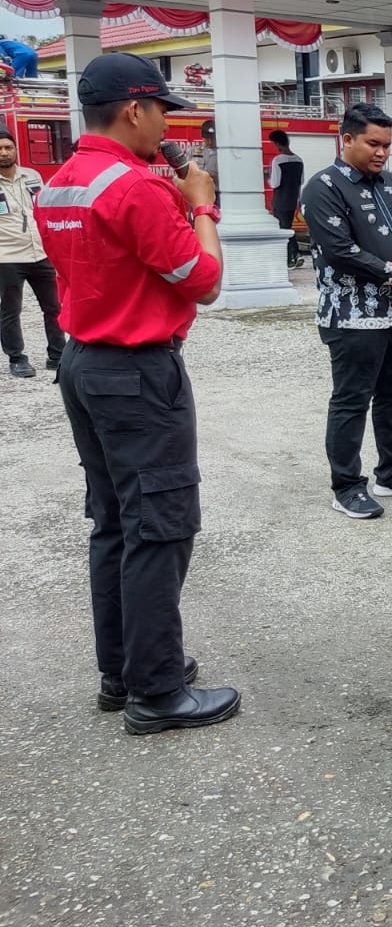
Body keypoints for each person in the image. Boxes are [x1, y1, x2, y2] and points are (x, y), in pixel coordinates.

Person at [36, 52, 238, 734]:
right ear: (133, 109)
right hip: (138, 372)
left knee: (117, 522)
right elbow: (204, 280)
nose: (165, 124)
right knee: (160, 525)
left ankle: (122, 671)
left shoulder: (60, 183)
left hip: (84, 362)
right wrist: (202, 205)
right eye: (161, 110)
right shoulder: (137, 188)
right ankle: (157, 690)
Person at [301, 103, 392, 518]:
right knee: (351, 400)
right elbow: (340, 251)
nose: (381, 152)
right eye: (372, 143)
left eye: (385, 145)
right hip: (354, 316)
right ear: (347, 139)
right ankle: (346, 485)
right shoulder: (322, 188)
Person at [0, 126, 65, 376]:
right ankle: (17, 358)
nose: (4, 153)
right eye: (0, 149)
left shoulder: (32, 175)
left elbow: (44, 206)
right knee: (10, 310)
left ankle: (57, 354)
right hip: (7, 255)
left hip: (40, 252)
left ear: (15, 149)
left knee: (54, 306)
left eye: (8, 147)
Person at [267, 129, 305, 268]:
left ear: (278, 143)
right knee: (288, 226)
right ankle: (295, 254)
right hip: (292, 199)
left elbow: (275, 183)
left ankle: (293, 256)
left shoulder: (278, 161)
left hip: (280, 199)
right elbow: (301, 180)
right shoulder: (299, 160)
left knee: (283, 229)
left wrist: (268, 177)